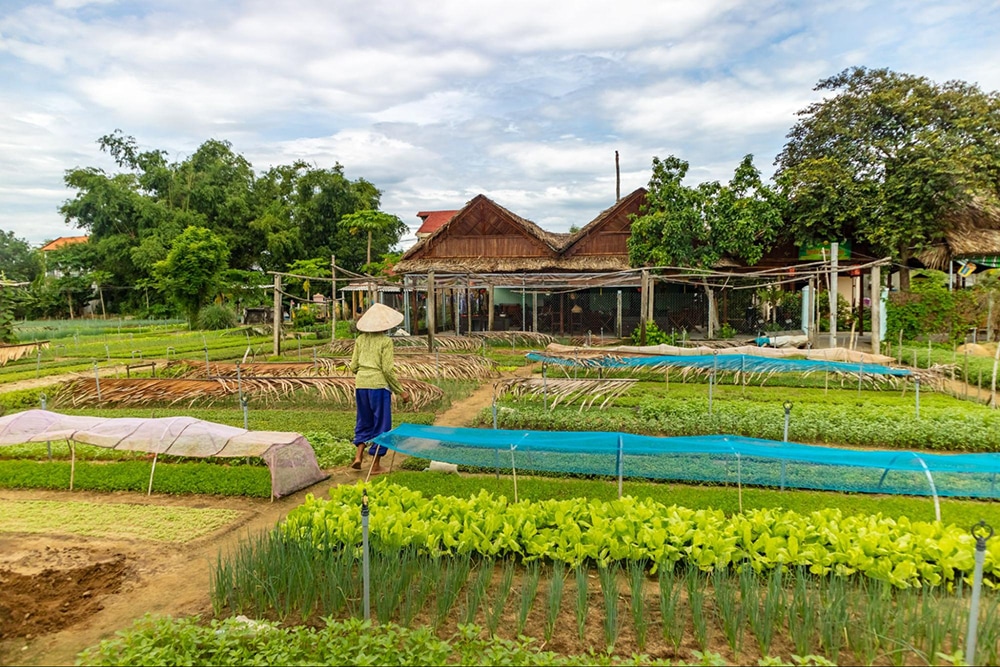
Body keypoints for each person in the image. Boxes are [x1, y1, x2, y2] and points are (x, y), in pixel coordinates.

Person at [350, 303, 409, 474]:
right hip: (378, 386)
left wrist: (364, 372)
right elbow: (387, 370)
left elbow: (353, 366)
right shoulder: (385, 341)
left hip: (361, 385)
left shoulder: (360, 339)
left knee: (363, 420)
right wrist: (401, 391)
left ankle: (358, 456)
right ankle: (375, 465)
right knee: (382, 424)